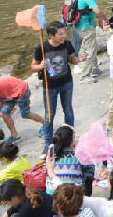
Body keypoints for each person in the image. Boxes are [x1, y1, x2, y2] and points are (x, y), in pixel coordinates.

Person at [31, 22, 80, 150]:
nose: (64, 36)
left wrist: (79, 60)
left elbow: (72, 59)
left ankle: (69, 140)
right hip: (50, 86)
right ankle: (48, 145)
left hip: (66, 82)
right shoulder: (41, 48)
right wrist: (40, 66)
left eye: (64, 33)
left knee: (68, 110)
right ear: (51, 35)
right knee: (49, 115)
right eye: (60, 34)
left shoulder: (67, 44)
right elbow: (33, 67)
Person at [74, 0, 103, 83]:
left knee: (92, 47)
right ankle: (85, 76)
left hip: (82, 25)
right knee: (90, 50)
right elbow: (97, 10)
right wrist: (103, 19)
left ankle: (95, 69)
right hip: (85, 26)